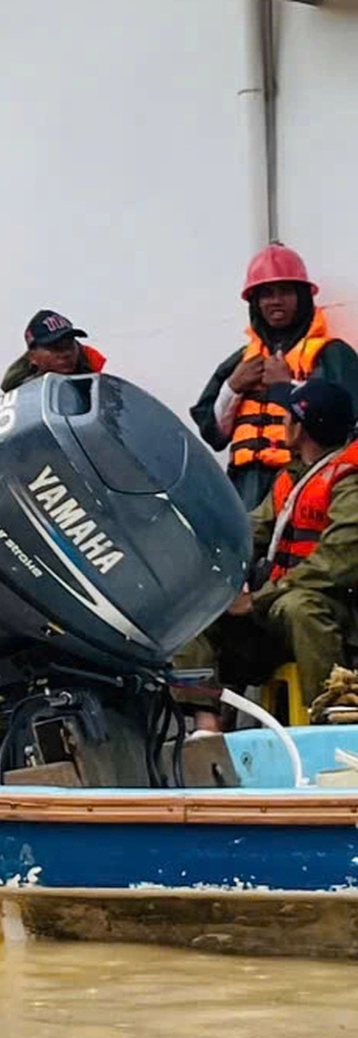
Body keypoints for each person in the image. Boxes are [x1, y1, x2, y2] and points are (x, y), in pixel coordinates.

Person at [191, 380, 358, 716]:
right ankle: (205, 722)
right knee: (197, 606)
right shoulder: (292, 476)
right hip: (272, 603)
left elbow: (336, 563)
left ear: (302, 428)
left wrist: (257, 599)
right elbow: (249, 532)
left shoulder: (349, 484)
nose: (282, 421)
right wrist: (212, 566)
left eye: (288, 416)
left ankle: (333, 717)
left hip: (331, 608)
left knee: (299, 608)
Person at [191, 243, 358, 510]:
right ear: (255, 303)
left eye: (285, 291)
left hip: (304, 482)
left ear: (302, 297)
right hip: (243, 490)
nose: (275, 300)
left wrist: (285, 387)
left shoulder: (332, 354)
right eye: (266, 294)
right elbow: (213, 433)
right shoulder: (241, 361)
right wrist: (233, 387)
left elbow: (344, 426)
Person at [1, 309, 106, 391]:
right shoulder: (20, 390)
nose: (66, 353)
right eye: (55, 347)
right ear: (32, 356)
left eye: (69, 345)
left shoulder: (92, 370)